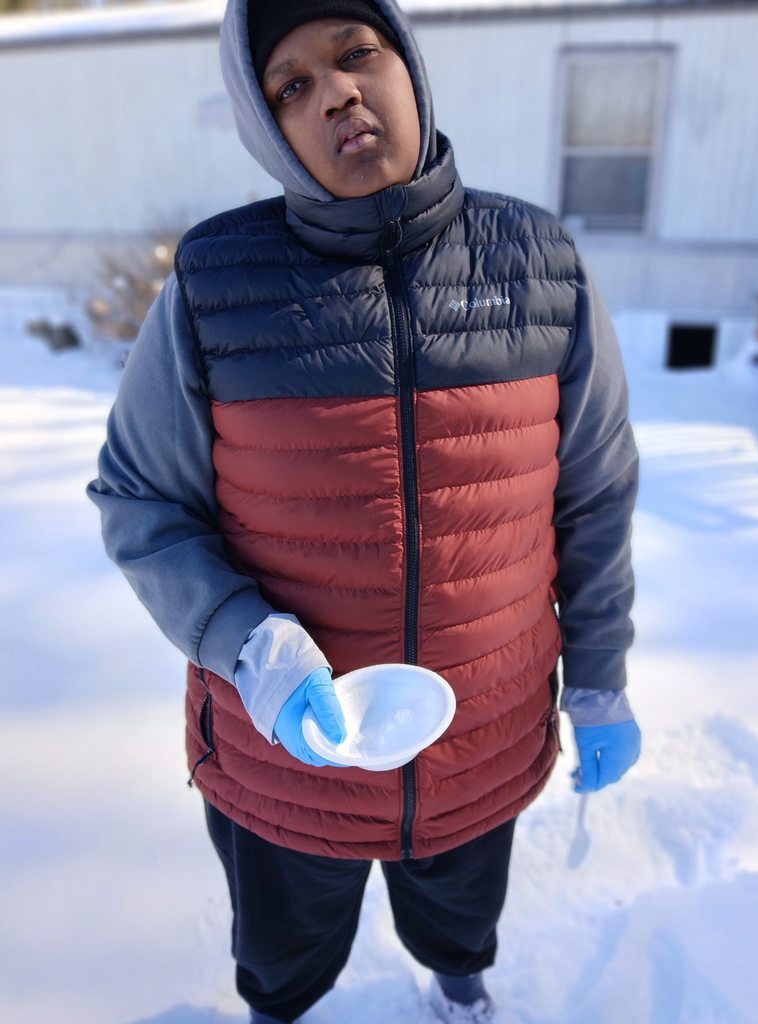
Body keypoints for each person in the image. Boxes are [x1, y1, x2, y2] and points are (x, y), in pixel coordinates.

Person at [87, 1, 642, 1021]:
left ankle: (460, 985)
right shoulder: (217, 287)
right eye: (291, 86)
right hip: (285, 760)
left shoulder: (541, 264)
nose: (336, 91)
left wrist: (599, 676)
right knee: (285, 951)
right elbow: (140, 498)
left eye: (355, 55)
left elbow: (595, 494)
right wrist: (247, 644)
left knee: (462, 915)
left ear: (410, 70)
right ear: (270, 131)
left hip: (482, 734)